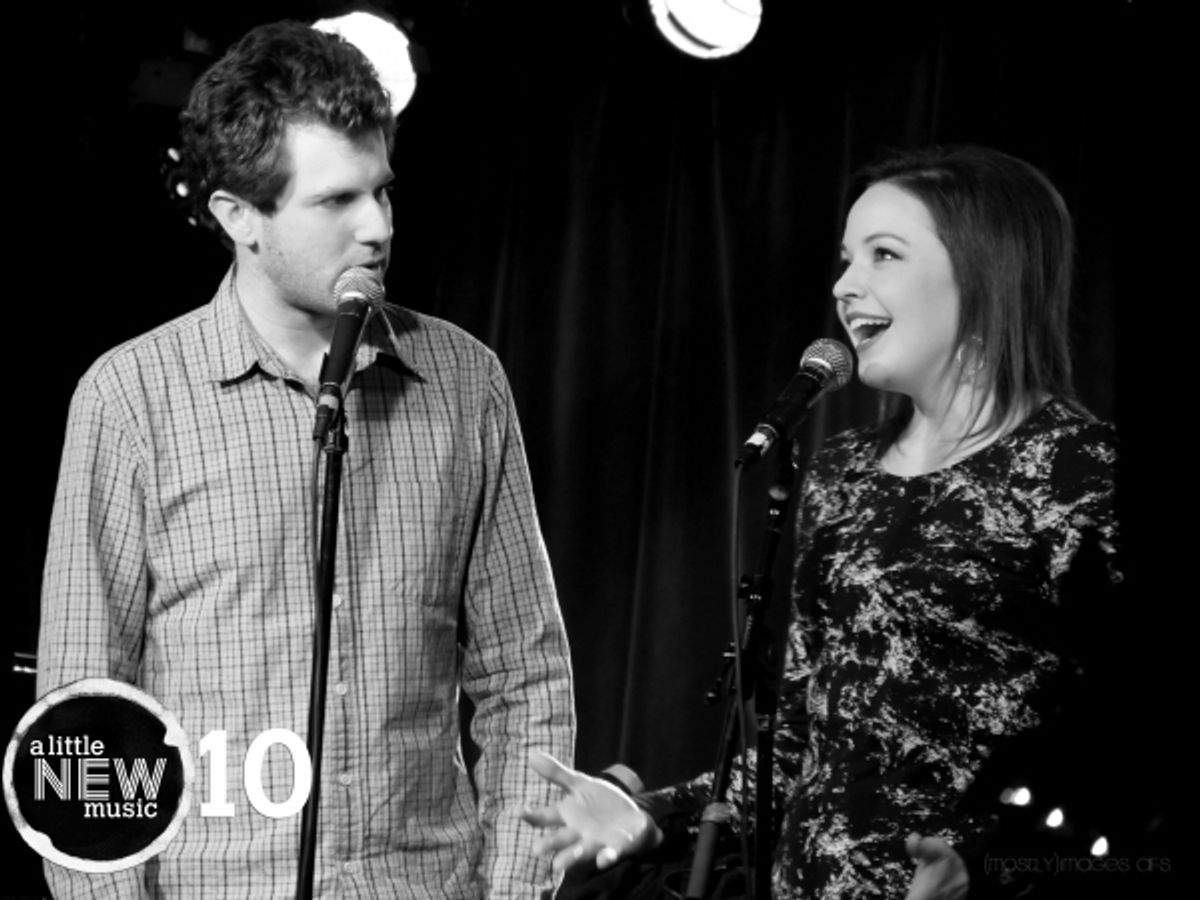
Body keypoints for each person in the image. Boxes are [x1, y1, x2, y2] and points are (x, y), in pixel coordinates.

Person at [36, 19, 574, 899]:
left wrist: (512, 890)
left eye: (383, 192)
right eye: (335, 202)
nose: (377, 229)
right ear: (237, 216)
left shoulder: (465, 382)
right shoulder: (129, 398)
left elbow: (528, 681)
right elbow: (82, 731)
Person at [522, 144, 1121, 899]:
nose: (845, 286)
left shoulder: (1085, 475)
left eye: (883, 255)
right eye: (846, 258)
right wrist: (653, 817)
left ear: (983, 269)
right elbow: (803, 737)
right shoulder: (843, 471)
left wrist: (997, 864)